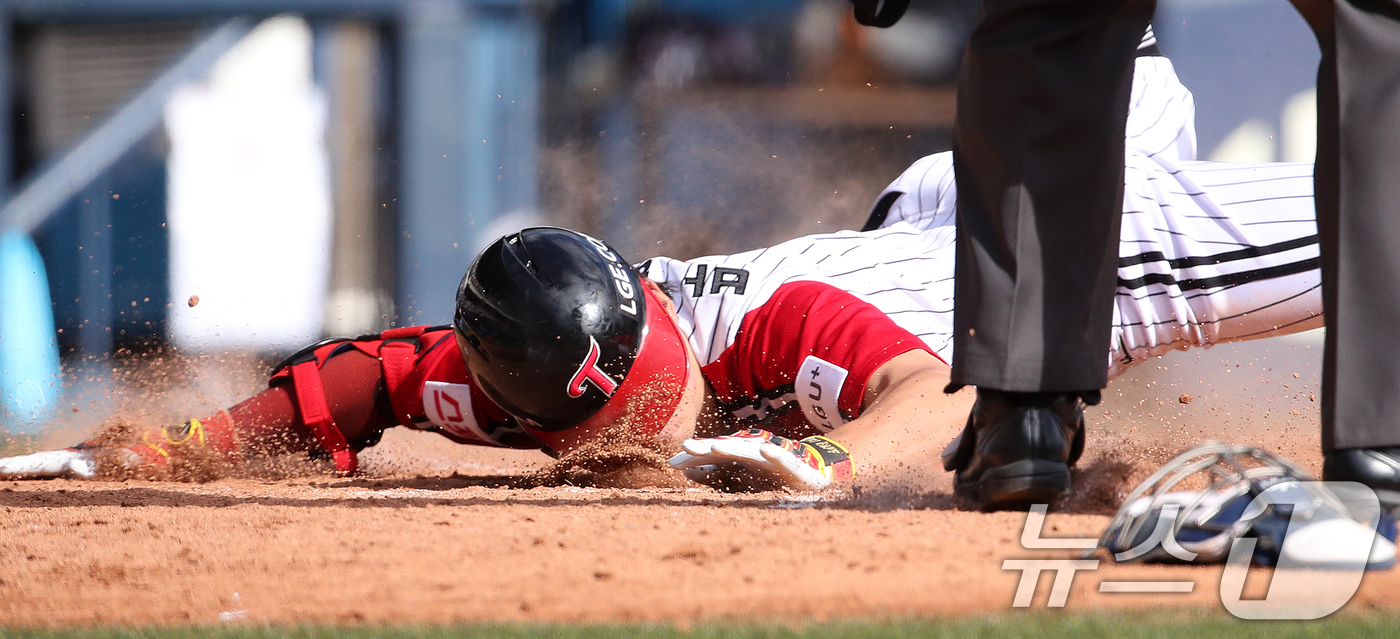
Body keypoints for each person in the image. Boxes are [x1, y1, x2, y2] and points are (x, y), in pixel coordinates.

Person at [0, 53, 1320, 500]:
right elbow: (355, 382)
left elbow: (940, 386)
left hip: (1068, 261)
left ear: (645, 325)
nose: (651, 414)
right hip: (926, 219)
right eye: (615, 407)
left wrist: (832, 463)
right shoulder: (509, 370)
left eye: (649, 384)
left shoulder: (767, 328)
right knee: (1104, 60)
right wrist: (165, 448)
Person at [943, 0, 1400, 512]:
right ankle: (1382, 429)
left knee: (1051, 22)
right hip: (1138, 233)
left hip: (1070, 223)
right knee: (1379, 20)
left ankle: (1021, 410)